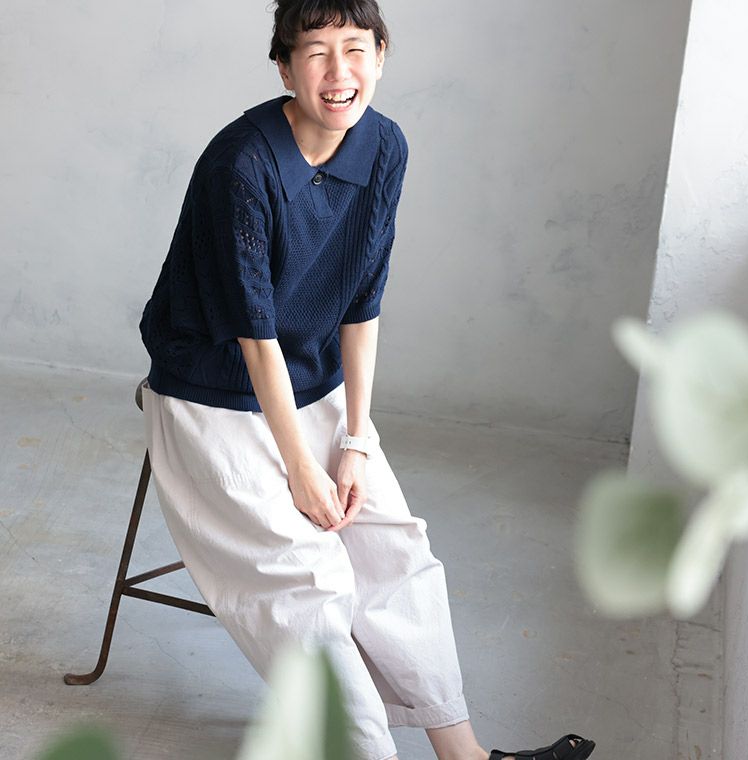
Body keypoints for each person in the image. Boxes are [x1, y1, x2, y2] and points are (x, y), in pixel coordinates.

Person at [138, 1, 596, 759]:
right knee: (309, 584)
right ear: (284, 68)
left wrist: (355, 439)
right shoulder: (240, 165)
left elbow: (363, 303)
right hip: (211, 394)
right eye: (315, 52)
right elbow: (255, 338)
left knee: (397, 553)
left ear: (381, 54)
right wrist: (300, 469)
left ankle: (465, 756)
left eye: (355, 48)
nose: (338, 71)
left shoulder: (384, 146)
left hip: (314, 385)